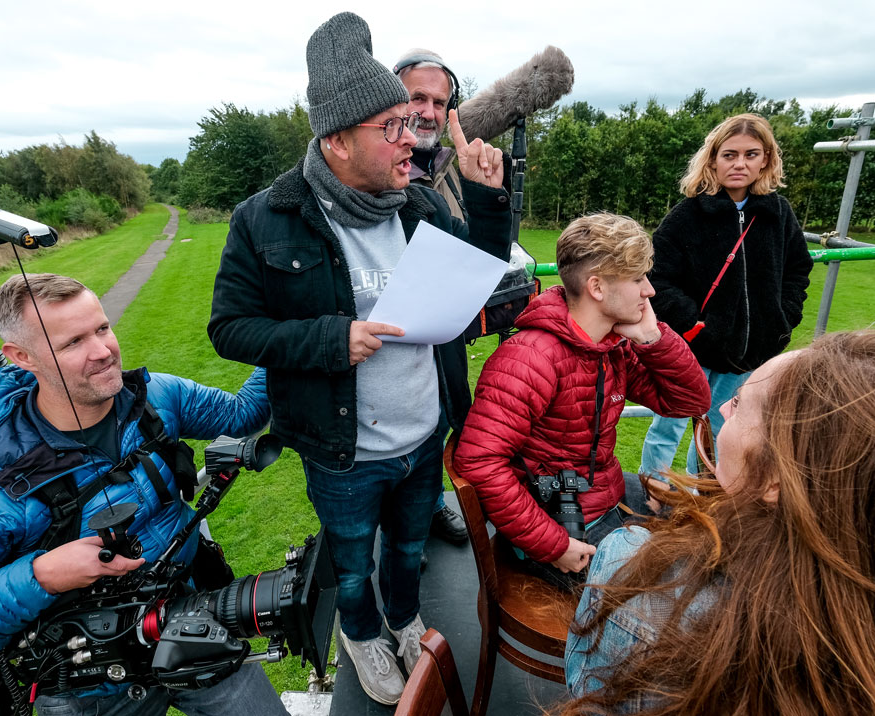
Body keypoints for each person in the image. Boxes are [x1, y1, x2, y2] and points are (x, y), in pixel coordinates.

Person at [208, 12, 510, 706]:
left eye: (414, 121)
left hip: (422, 435)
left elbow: (475, 275)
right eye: (395, 127)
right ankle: (361, 632)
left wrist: (489, 197)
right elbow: (231, 329)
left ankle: (402, 622)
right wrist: (328, 339)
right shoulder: (267, 217)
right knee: (351, 567)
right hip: (342, 451)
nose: (414, 139)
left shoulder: (418, 208)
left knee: (407, 552)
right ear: (339, 140)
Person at [0, 273, 287, 716]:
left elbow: (242, 413)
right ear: (21, 357)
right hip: (87, 686)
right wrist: (39, 577)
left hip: (192, 624)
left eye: (102, 328)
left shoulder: (154, 398)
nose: (103, 352)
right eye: (72, 342)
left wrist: (288, 336)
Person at [563, 330, 875, 715]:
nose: (722, 411)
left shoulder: (630, 561)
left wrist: (654, 335)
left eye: (738, 404)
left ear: (775, 482)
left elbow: (585, 690)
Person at [453, 213, 710, 588]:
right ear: (597, 288)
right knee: (681, 598)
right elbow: (478, 461)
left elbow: (688, 400)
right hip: (561, 526)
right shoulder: (531, 358)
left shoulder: (611, 346)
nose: (649, 291)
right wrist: (553, 545)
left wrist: (654, 338)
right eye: (637, 278)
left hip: (605, 496)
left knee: (709, 544)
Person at [639, 113, 812, 479]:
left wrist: (782, 319)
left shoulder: (778, 213)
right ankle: (651, 496)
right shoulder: (687, 215)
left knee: (723, 429)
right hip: (693, 349)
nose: (739, 163)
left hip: (749, 351)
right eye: (730, 154)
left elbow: (798, 268)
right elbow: (658, 280)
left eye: (751, 154)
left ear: (766, 158)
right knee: (668, 428)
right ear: (713, 158)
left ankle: (706, 499)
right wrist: (696, 327)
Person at [394, 47, 470, 548]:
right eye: (416, 97)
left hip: (443, 335)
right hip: (388, 337)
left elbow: (470, 247)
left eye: (439, 102)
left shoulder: (450, 164)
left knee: (444, 421)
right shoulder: (379, 169)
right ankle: (401, 534)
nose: (428, 111)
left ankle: (430, 506)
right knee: (390, 442)